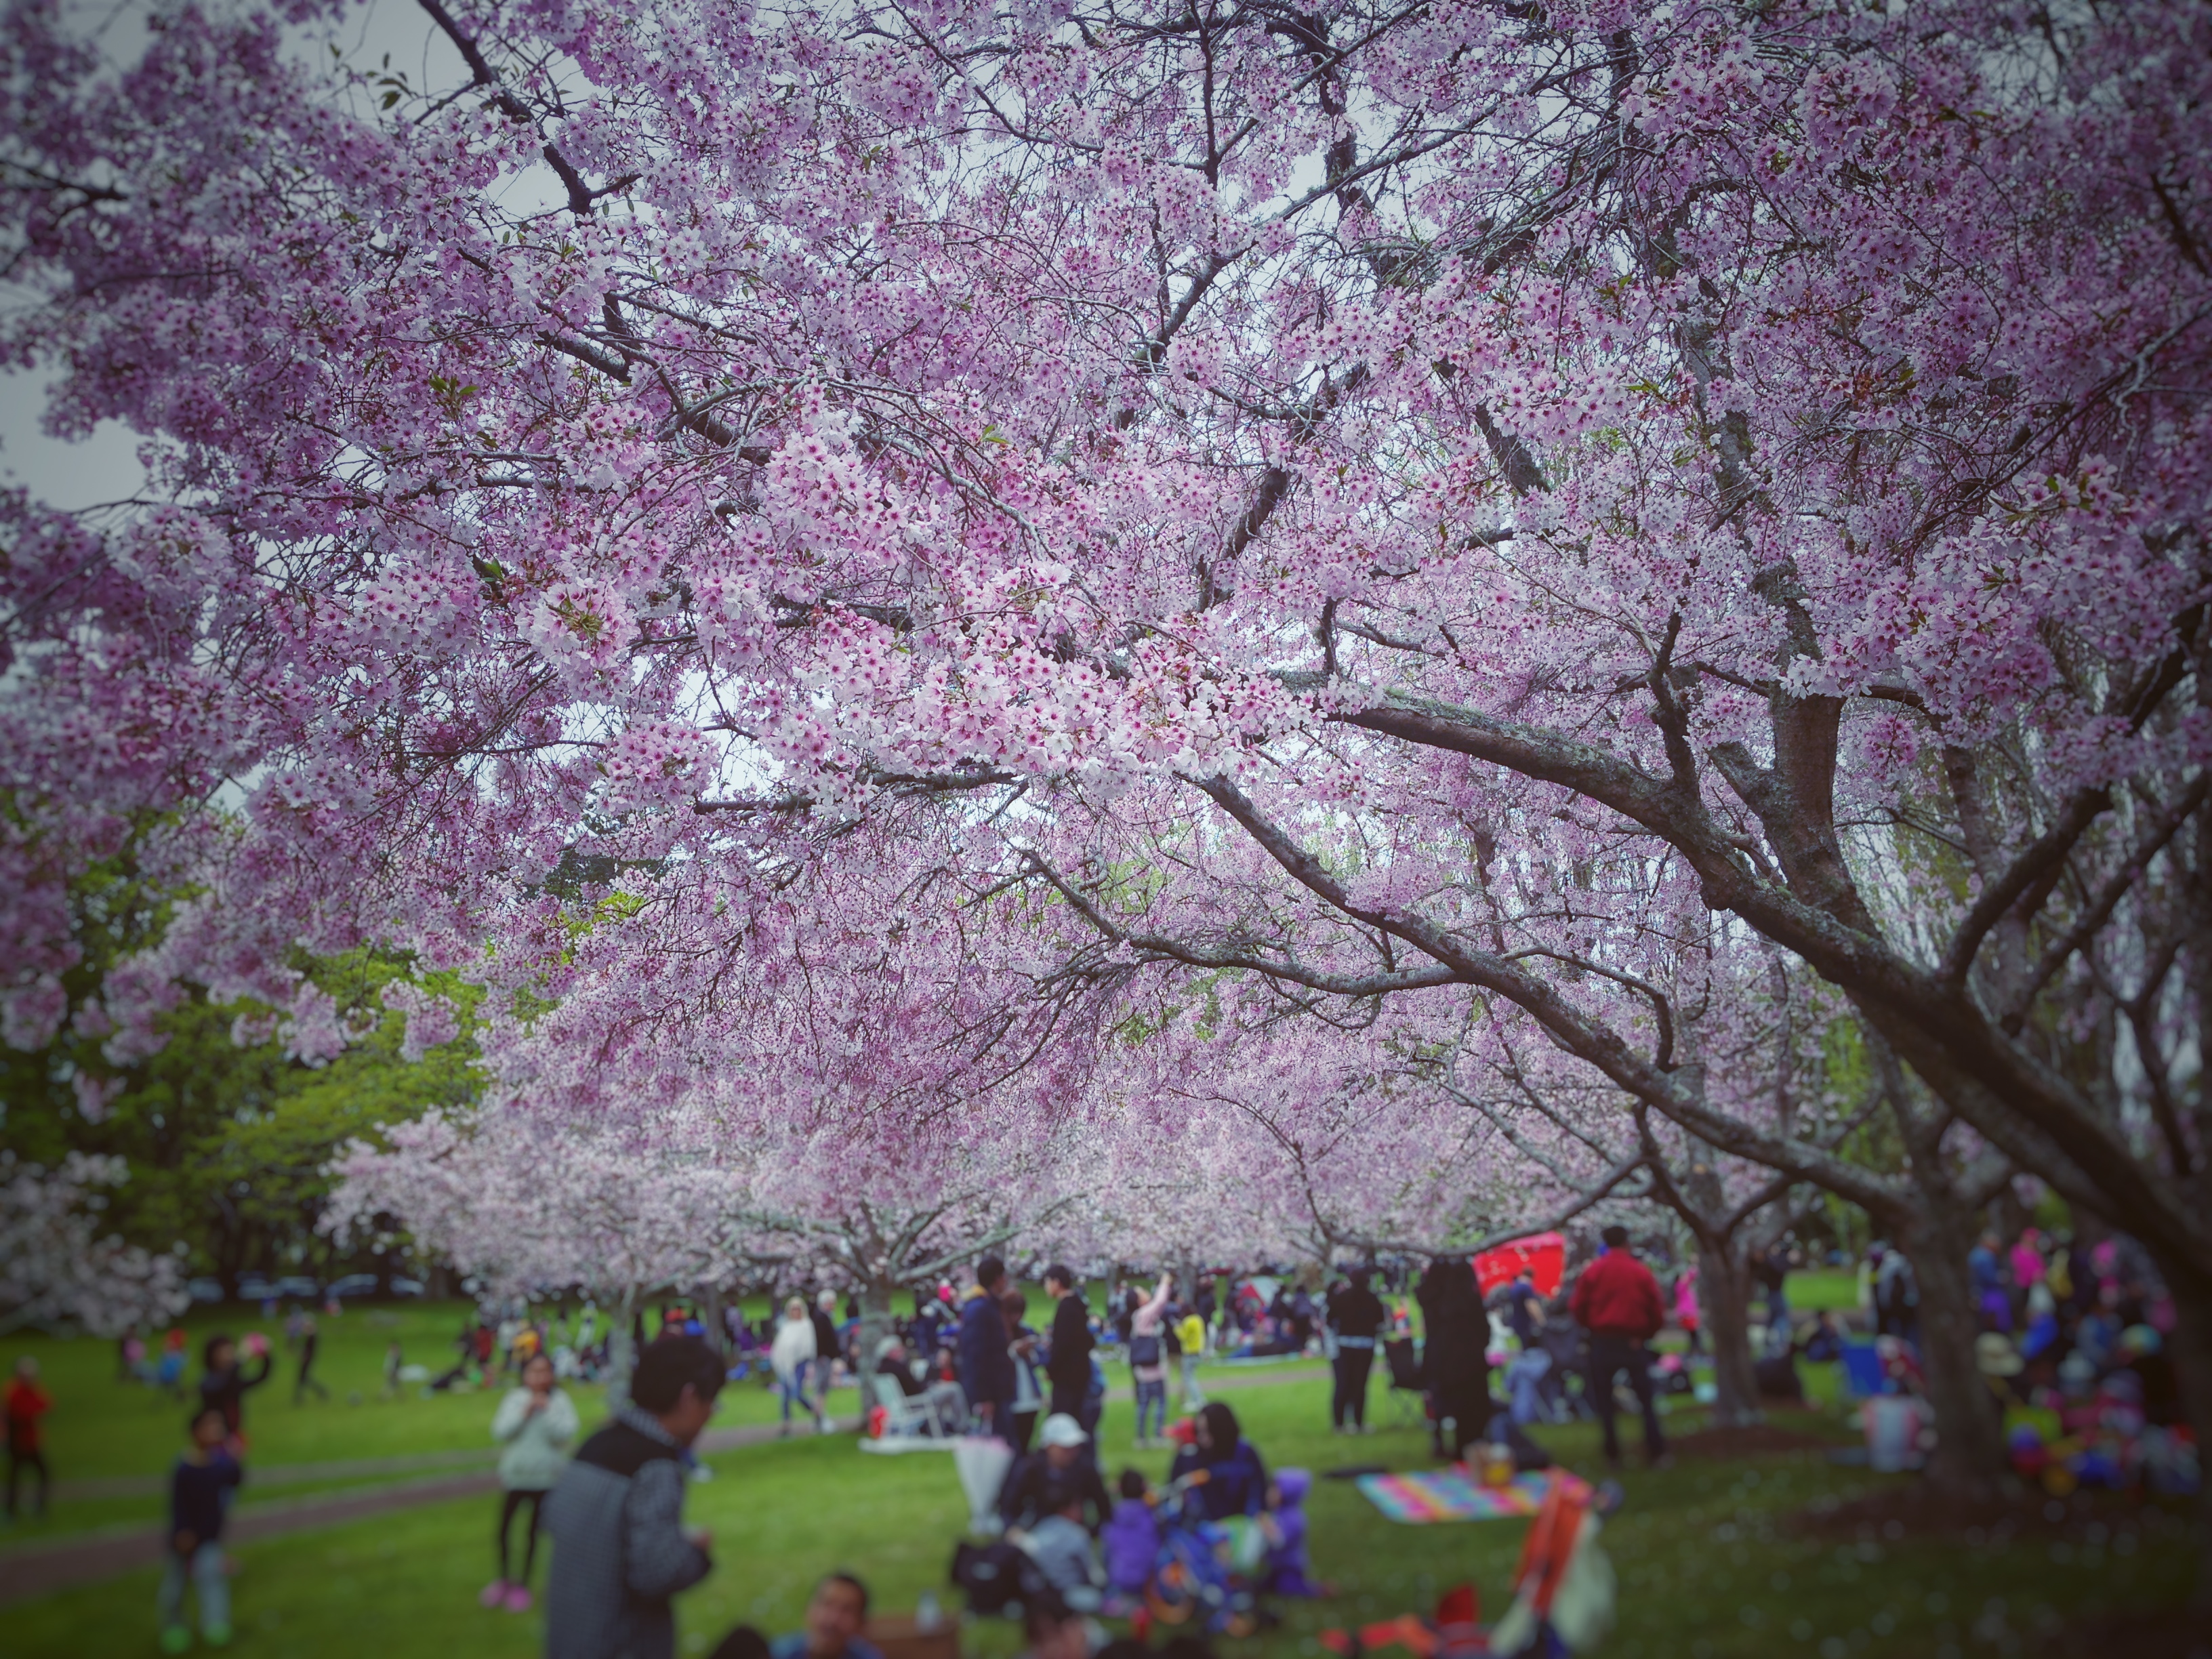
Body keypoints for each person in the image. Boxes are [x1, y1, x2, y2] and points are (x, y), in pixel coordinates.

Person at [543, 1334, 722, 1659]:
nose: (710, 1416)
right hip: (620, 1644)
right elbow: (655, 1572)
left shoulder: (594, 1446)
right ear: (689, 1398)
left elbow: (556, 1521)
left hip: (569, 1636)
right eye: (712, 1404)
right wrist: (696, 1553)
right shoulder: (654, 1464)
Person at [484, 1350, 579, 1612]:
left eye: (544, 1371)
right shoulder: (515, 1400)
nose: (539, 1377)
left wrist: (546, 1412)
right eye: (533, 1372)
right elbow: (500, 1431)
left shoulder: (559, 1402)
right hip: (516, 1477)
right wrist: (524, 1413)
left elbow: (566, 1434)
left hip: (545, 1480)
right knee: (503, 1530)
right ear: (524, 1375)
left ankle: (523, 1585)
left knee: (533, 1534)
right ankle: (504, 1579)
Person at [1568, 1225, 1667, 1471]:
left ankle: (1612, 1454)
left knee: (1604, 1400)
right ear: (1627, 1242)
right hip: (1632, 1340)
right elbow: (1655, 1307)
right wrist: (1645, 1334)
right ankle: (1656, 1451)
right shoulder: (1638, 1272)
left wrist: (1591, 1328)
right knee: (1645, 1398)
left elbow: (1578, 1306)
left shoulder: (1594, 1271)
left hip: (1602, 1340)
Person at [159, 1405, 242, 1653]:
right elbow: (178, 1504)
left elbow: (236, 1479)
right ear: (194, 1432)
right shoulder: (184, 1467)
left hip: (209, 1537)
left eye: (219, 1426)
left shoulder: (221, 1465)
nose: (216, 1430)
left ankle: (215, 1625)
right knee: (175, 1586)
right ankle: (174, 1626)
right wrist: (182, 1532)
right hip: (184, 1538)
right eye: (209, 1426)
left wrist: (235, 1455)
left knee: (212, 1580)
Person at [1416, 1256, 1492, 1459]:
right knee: (1468, 1403)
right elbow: (1483, 1330)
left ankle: (1440, 1439)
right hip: (1467, 1358)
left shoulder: (1432, 1298)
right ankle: (1468, 1443)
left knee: (1441, 1400)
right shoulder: (1466, 1301)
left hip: (1437, 1354)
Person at [1001, 1412, 1111, 1530]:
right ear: (1049, 1447)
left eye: (1075, 1446)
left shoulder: (1085, 1469)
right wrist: (1015, 1530)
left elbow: (1105, 1510)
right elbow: (1008, 1509)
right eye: (1065, 1447)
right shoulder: (1030, 1470)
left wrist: (1090, 1530)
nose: (1072, 1452)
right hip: (1035, 1531)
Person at [1167, 1401, 1267, 1521]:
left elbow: (1260, 1493)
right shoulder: (1188, 1457)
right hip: (1201, 1530)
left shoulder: (1246, 1454)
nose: (1201, 1438)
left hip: (1242, 1525)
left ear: (1223, 1430)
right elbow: (1172, 1495)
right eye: (1199, 1432)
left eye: (1208, 1432)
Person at [958, 1256, 1017, 1440]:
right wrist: (983, 1397)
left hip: (998, 1389)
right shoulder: (980, 1309)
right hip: (992, 1392)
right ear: (998, 1278)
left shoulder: (987, 1306)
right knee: (1001, 1443)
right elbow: (976, 1354)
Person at [1326, 1268, 1385, 1433]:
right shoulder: (1372, 1299)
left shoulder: (1342, 1298)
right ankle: (1359, 1423)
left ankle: (1339, 1423)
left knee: (1343, 1383)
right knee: (1360, 1384)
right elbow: (1380, 1321)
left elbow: (1330, 1318)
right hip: (1365, 1345)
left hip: (1345, 1345)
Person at [770, 1572, 882, 1659]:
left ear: (861, 1625)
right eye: (826, 1604)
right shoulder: (776, 1654)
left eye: (846, 1610)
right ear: (807, 1609)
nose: (832, 1619)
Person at [197, 1334, 272, 1444]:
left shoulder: (233, 1380)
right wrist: (241, 1358)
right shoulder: (209, 1381)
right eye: (224, 1351)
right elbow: (221, 1386)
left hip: (234, 1435)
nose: (230, 1355)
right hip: (214, 1438)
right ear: (212, 1355)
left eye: (230, 1351)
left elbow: (261, 1378)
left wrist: (266, 1356)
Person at [1042, 1265, 1094, 1423]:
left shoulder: (1066, 1307)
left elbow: (1063, 1344)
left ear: (1056, 1283)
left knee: (1062, 1419)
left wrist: (1051, 1368)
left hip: (1067, 1377)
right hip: (1079, 1372)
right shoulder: (1077, 1305)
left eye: (1047, 1282)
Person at [1126, 1273, 1174, 1448]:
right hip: (1153, 1370)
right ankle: (1157, 1436)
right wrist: (1164, 1283)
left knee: (1144, 1404)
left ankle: (1141, 1438)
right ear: (1139, 1300)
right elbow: (1160, 1302)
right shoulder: (1144, 1314)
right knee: (1160, 1402)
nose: (1146, 1293)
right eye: (1142, 1292)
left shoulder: (1138, 1317)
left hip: (1142, 1371)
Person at [1101, 1469, 1161, 1601]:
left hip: (1118, 1580)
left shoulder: (1113, 1517)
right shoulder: (1153, 1517)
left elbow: (1106, 1553)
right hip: (1146, 1582)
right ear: (1144, 1489)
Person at [5, 1356, 53, 1520]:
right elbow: (20, 1415)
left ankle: (38, 1507)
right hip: (17, 1443)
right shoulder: (14, 1392)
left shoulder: (32, 1390)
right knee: (15, 1479)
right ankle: (10, 1512)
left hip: (31, 1443)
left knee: (43, 1475)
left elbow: (47, 1403)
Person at [771, 1298, 823, 1436]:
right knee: (785, 1396)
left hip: (800, 1362)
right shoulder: (787, 1326)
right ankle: (786, 1425)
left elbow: (808, 1347)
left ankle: (816, 1412)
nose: (795, 1311)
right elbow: (780, 1345)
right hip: (785, 1365)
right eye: (793, 1309)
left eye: (798, 1308)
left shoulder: (806, 1325)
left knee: (797, 1393)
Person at [1005, 1290, 1045, 1453]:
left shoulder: (1026, 1330)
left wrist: (1030, 1353)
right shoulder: (1000, 1333)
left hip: (1030, 1397)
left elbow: (1042, 1357)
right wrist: (1014, 1351)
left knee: (1026, 1443)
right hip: (1011, 1398)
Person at [811, 1291, 843, 1418]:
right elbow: (823, 1340)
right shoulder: (821, 1318)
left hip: (824, 1357)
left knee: (822, 1388)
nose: (833, 1306)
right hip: (823, 1358)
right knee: (821, 1388)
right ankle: (819, 1416)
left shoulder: (824, 1317)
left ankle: (820, 1415)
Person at [1174, 1304, 1208, 1413]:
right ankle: (1196, 1400)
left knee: (1189, 1378)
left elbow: (1183, 1337)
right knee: (1191, 1376)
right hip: (1198, 1350)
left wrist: (1177, 1328)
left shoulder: (1188, 1321)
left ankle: (1199, 1400)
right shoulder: (1198, 1319)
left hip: (1189, 1351)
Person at [293, 1312, 329, 1404]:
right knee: (303, 1378)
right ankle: (301, 1397)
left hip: (307, 1359)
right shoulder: (310, 1335)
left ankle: (321, 1392)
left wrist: (304, 1356)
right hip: (307, 1358)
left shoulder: (312, 1336)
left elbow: (309, 1349)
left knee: (303, 1378)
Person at [1671, 1266, 1701, 1354]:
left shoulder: (1681, 1287)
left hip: (1687, 1313)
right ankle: (1696, 1349)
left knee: (1692, 1333)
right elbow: (1691, 1276)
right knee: (1693, 1332)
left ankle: (1694, 1349)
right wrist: (1694, 1265)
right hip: (1687, 1313)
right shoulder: (1681, 1286)